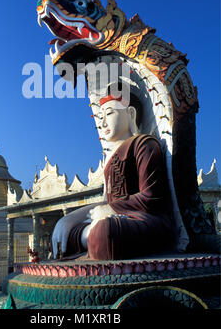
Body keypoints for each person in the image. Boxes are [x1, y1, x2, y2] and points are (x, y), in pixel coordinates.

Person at [51, 91, 174, 260]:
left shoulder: (144, 144)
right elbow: (105, 202)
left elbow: (151, 198)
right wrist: (69, 219)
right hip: (114, 218)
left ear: (130, 113)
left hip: (145, 219)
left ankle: (94, 239)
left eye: (109, 113)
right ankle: (91, 238)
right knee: (70, 235)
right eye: (100, 116)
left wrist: (111, 209)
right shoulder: (109, 159)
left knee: (105, 231)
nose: (102, 123)